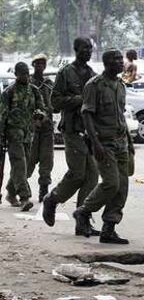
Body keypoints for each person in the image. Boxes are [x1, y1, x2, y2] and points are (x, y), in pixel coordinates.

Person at [73, 49, 134, 244]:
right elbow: (87, 114)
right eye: (116, 59)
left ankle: (109, 227)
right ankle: (83, 212)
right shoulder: (94, 85)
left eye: (120, 59)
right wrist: (95, 143)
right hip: (104, 143)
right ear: (107, 63)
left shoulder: (120, 85)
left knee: (122, 187)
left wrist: (130, 141)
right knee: (111, 183)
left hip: (121, 143)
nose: (120, 62)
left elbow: (120, 115)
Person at [42, 37, 100, 236]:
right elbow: (55, 102)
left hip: (90, 131)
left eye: (90, 48)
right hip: (72, 129)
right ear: (75, 50)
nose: (88, 51)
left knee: (92, 176)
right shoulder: (66, 73)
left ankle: (82, 219)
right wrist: (78, 99)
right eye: (84, 48)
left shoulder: (93, 75)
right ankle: (52, 199)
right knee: (78, 174)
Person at [0, 62, 45, 211]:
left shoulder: (34, 90)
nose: (26, 76)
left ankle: (11, 193)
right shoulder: (9, 92)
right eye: (23, 74)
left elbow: (42, 107)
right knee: (19, 163)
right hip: (13, 134)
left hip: (28, 133)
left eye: (27, 73)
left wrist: (40, 115)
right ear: (16, 75)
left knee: (23, 167)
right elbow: (2, 116)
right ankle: (25, 197)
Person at [27, 54, 54, 203]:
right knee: (29, 160)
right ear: (33, 65)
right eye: (37, 63)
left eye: (43, 63)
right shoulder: (28, 82)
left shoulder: (49, 84)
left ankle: (43, 191)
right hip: (31, 127)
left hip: (47, 127)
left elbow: (54, 102)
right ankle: (18, 189)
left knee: (47, 160)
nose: (40, 66)